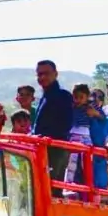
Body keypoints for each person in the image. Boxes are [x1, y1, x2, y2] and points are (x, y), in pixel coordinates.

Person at [30, 59, 73, 197]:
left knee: (50, 190)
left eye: (46, 73)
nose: (42, 77)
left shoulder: (63, 96)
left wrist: (43, 137)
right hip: (42, 151)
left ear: (55, 74)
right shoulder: (44, 97)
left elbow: (66, 125)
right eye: (39, 74)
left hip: (55, 151)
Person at [64, 84, 108, 192]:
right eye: (76, 97)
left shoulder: (91, 106)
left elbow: (103, 117)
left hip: (86, 135)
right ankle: (68, 184)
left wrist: (94, 113)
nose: (78, 100)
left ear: (87, 97)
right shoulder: (70, 107)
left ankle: (89, 183)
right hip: (73, 135)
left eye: (81, 97)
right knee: (72, 160)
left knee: (88, 160)